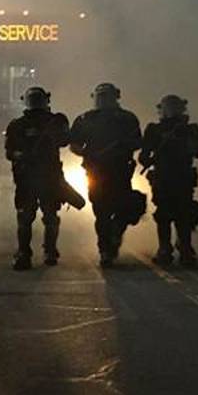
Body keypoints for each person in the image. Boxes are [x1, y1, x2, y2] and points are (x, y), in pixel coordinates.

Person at [69, 83, 143, 267]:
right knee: (101, 213)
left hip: (120, 170)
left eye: (107, 96)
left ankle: (115, 235)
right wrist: (88, 154)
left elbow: (137, 142)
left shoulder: (126, 118)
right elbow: (74, 144)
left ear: (115, 97)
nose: (103, 100)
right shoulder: (86, 119)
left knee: (124, 209)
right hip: (96, 171)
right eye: (100, 96)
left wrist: (122, 146)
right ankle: (105, 251)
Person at [5, 86, 70, 270]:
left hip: (38, 177)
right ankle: (42, 251)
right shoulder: (22, 124)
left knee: (32, 217)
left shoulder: (23, 124)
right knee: (44, 216)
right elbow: (10, 152)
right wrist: (22, 155)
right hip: (36, 177)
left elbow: (9, 152)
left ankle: (32, 252)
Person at [140, 95, 198, 268]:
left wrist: (185, 139)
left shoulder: (190, 129)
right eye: (168, 107)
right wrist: (151, 157)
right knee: (163, 214)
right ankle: (164, 248)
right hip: (163, 176)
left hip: (183, 176)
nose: (172, 111)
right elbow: (144, 155)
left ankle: (184, 247)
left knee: (184, 212)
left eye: (175, 107)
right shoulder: (154, 129)